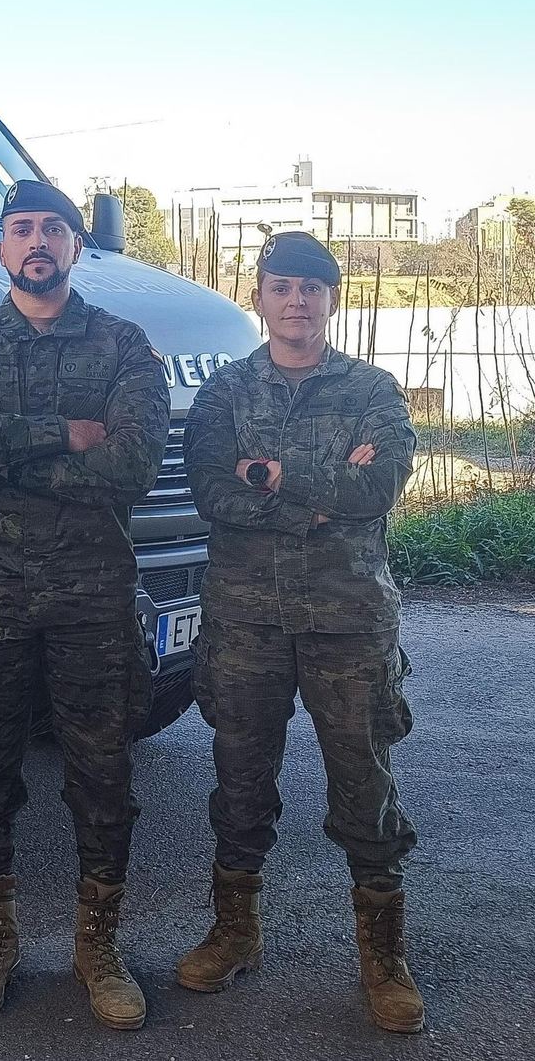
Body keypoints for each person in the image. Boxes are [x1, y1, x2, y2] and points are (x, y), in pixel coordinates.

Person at [0, 180, 169, 1030]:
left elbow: (132, 465)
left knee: (103, 774)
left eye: (52, 230)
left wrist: (9, 452)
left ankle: (98, 947)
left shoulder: (126, 343)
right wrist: (65, 432)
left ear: (73, 246)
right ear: (1, 248)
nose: (37, 242)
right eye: (21, 229)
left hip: (93, 597)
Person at [178, 230, 423, 1033]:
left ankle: (383, 957)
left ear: (331, 299)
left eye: (311, 289)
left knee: (364, 783)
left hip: (348, 621)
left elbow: (380, 484)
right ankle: (234, 929)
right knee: (241, 779)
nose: (296, 302)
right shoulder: (223, 394)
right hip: (247, 619)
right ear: (260, 297)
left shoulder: (373, 388)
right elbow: (211, 489)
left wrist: (277, 474)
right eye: (281, 287)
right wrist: (322, 493)